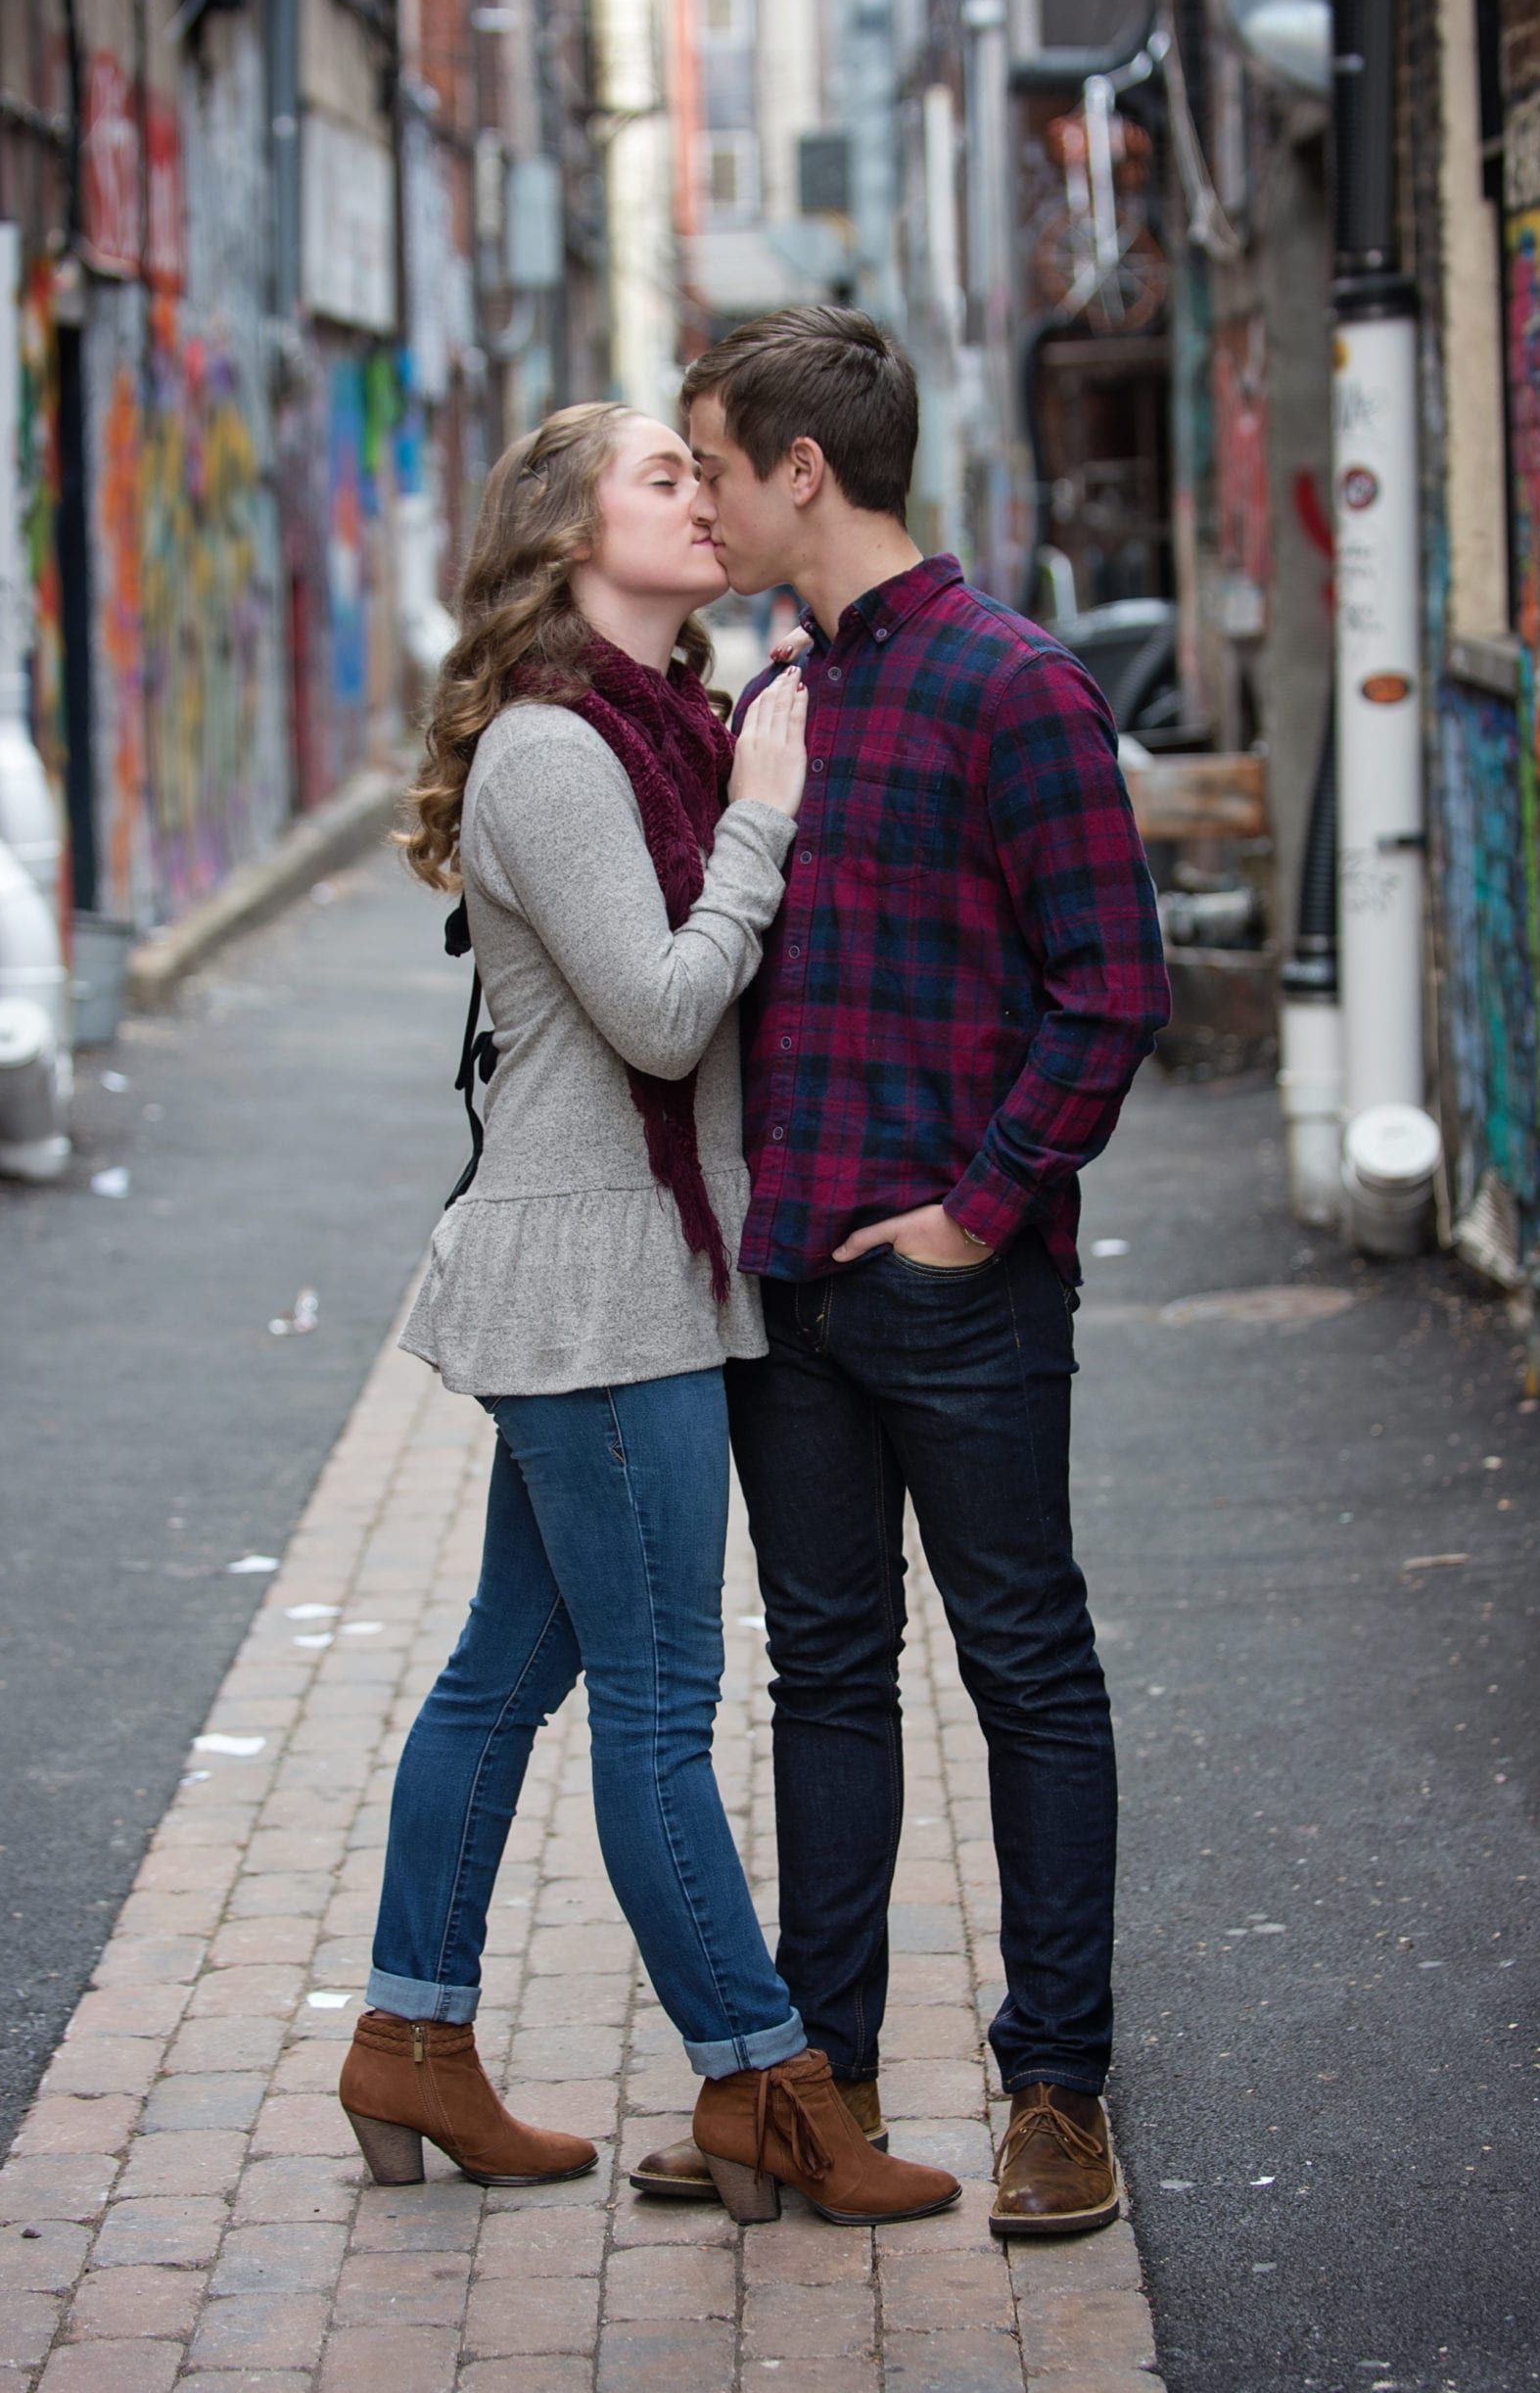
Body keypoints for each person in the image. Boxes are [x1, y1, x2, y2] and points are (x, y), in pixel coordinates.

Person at [337, 399, 960, 2233]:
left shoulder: (665, 727)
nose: (703, 495)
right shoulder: (555, 753)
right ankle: (767, 2083)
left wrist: (748, 777)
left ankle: (413, 2037)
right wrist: (762, 823)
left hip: (625, 1265)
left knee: (511, 1668)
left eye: (704, 471)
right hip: (600, 1284)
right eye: (661, 473)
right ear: (565, 528)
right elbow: (666, 1014)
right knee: (661, 1705)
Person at [627, 307, 1170, 2237]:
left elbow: (1111, 984)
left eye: (707, 461)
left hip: (960, 1287)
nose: (690, 496)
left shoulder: (1009, 685)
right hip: (791, 1287)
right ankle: (819, 2083)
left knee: (1025, 1666)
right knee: (827, 1680)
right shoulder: (773, 695)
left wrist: (974, 1208)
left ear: (801, 470)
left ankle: (1055, 2090)